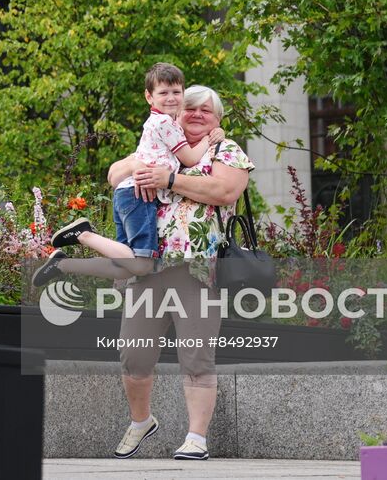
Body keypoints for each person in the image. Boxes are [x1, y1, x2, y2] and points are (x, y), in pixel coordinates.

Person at [47, 86, 256, 462]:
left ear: (218, 119)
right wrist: (139, 166)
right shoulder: (160, 140)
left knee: (196, 356)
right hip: (146, 270)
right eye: (190, 107)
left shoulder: (226, 150)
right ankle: (141, 421)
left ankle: (196, 438)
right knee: (133, 356)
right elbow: (114, 174)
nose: (196, 114)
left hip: (196, 270)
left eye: (206, 111)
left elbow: (224, 191)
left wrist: (169, 180)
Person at [34, 63, 224, 284]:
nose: (171, 98)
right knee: (141, 265)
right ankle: (82, 234)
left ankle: (62, 264)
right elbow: (188, 159)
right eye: (164, 93)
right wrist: (208, 138)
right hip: (137, 197)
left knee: (124, 267)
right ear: (149, 97)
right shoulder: (165, 125)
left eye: (176, 93)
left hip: (129, 197)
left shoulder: (163, 126)